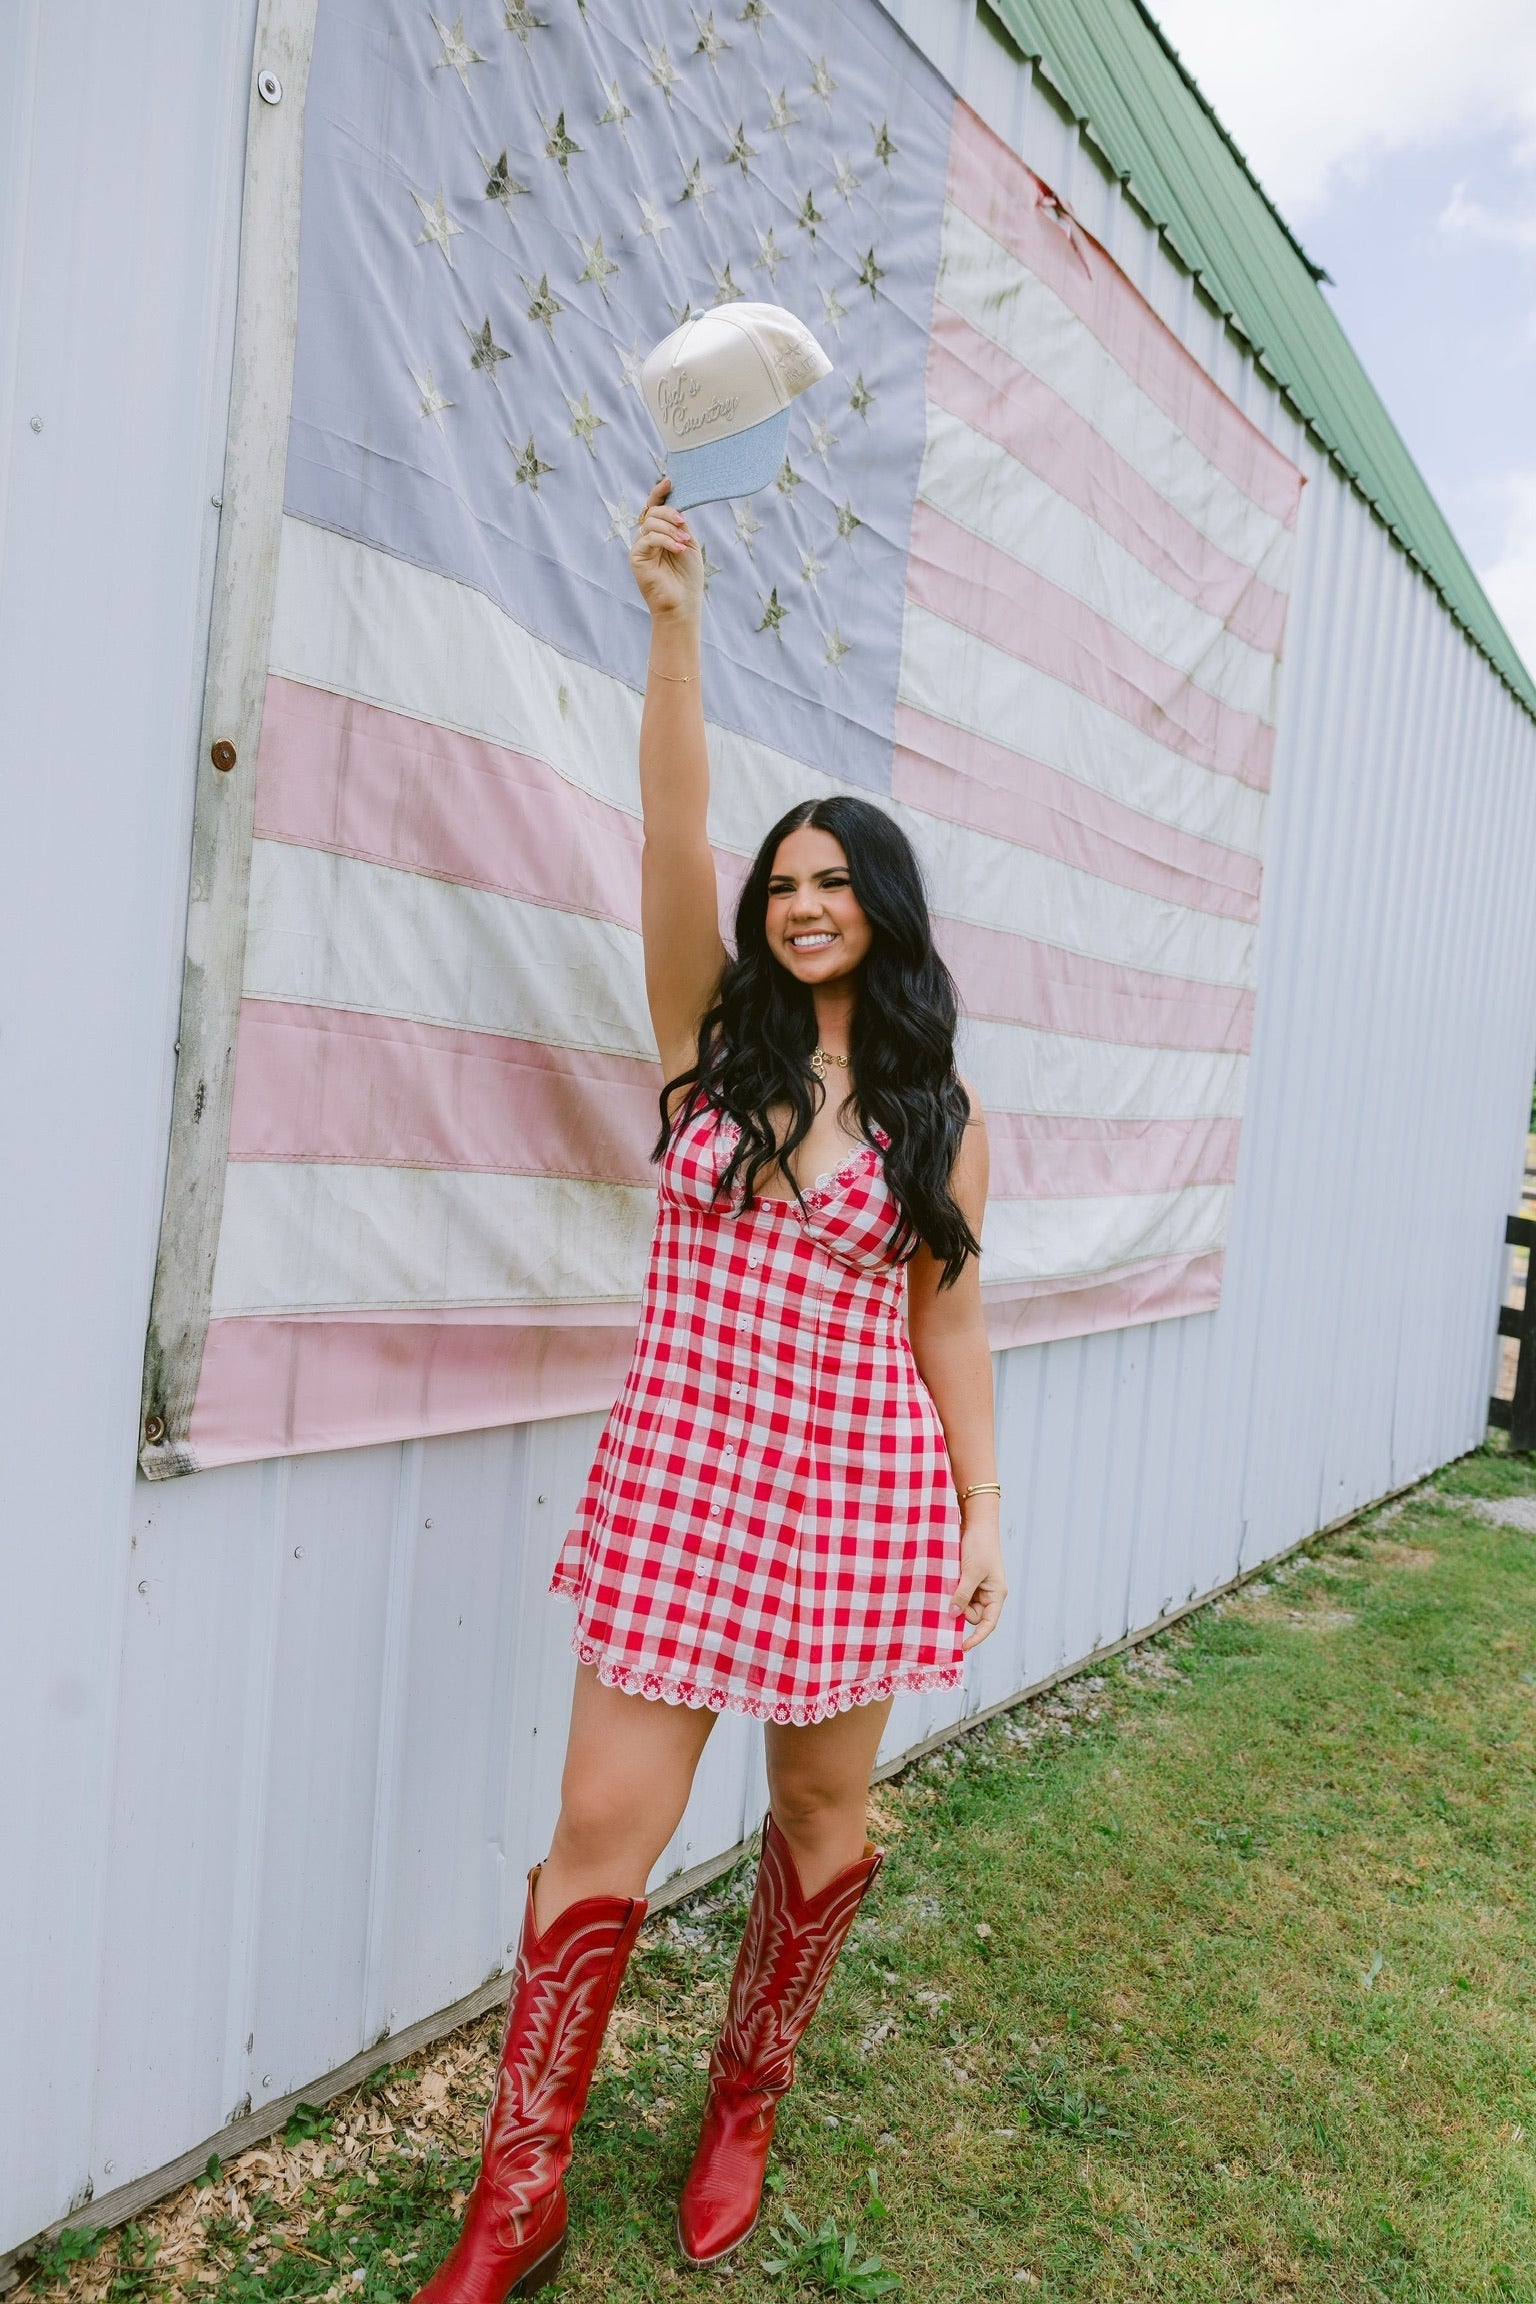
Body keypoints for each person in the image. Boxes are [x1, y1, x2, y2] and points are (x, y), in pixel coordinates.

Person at [413, 478, 1007, 2301]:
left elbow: (951, 1328)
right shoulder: (708, 1048)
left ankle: (746, 2093)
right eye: (785, 882)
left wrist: (984, 1513)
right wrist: (674, 624)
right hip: (682, 1484)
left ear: (886, 916)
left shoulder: (939, 1124)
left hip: (859, 1501)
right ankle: (519, 2198)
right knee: (603, 1829)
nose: (801, 901)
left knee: (823, 1823)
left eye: (836, 884)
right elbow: (670, 833)